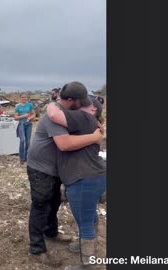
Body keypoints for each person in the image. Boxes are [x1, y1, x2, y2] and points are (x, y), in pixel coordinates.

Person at [26, 81, 104, 267]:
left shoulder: (67, 113)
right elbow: (64, 144)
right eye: (80, 101)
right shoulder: (56, 116)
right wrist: (94, 137)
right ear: (71, 100)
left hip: (56, 168)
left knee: (53, 203)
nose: (84, 105)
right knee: (40, 205)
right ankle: (36, 248)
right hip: (41, 167)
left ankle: (51, 232)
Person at [46, 96, 106, 269]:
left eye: (84, 104)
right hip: (95, 177)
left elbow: (54, 115)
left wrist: (54, 101)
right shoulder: (92, 123)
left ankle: (87, 264)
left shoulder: (83, 118)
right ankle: (85, 246)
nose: (77, 106)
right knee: (89, 214)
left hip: (83, 179)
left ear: (93, 109)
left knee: (85, 222)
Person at [14, 93, 35, 165]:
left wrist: (29, 118)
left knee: (28, 142)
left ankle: (27, 157)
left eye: (25, 97)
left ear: (27, 98)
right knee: (22, 140)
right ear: (20, 98)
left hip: (29, 125)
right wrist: (23, 116)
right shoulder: (18, 107)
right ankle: (22, 158)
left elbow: (34, 114)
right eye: (22, 97)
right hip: (21, 125)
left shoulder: (30, 105)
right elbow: (15, 117)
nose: (24, 99)